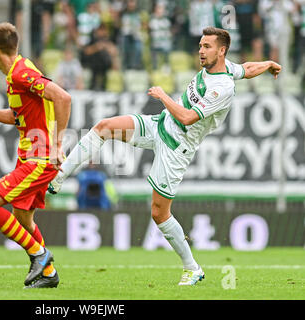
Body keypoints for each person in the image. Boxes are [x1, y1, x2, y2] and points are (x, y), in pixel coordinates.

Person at [49, 27, 281, 286]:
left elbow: (187, 117)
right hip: (159, 125)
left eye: (207, 47)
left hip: (176, 146)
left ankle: (192, 268)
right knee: (104, 127)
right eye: (201, 45)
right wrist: (269, 63)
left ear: (222, 50)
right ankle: (59, 177)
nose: (201, 51)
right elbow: (247, 69)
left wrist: (163, 96)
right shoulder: (226, 68)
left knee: (159, 213)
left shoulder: (222, 87)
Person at [0, 22, 71, 289]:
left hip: (40, 158)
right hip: (31, 156)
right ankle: (49, 273)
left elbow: (63, 98)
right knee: (23, 219)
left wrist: (57, 144)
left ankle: (40, 255)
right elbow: (15, 116)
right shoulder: (20, 71)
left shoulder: (21, 74)